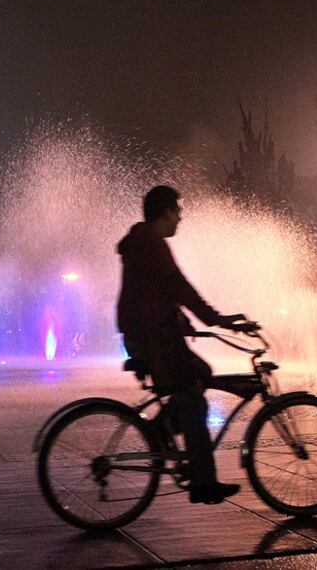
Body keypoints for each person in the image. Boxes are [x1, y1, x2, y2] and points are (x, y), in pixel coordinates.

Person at [117, 185, 256, 505]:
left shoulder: (144, 242)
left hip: (151, 335)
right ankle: (203, 483)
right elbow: (178, 286)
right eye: (178, 211)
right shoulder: (151, 242)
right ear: (165, 212)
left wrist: (184, 322)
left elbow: (157, 292)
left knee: (201, 373)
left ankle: (160, 430)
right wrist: (217, 319)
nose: (180, 218)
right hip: (153, 339)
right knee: (193, 401)